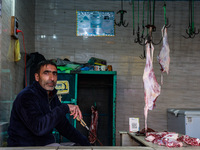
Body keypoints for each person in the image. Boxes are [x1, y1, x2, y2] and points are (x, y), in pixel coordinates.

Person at [7, 60, 91, 146]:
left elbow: (64, 127)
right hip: (25, 147)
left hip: (44, 145)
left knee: (79, 146)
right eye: (46, 73)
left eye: (54, 73)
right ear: (37, 77)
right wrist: (65, 107)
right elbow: (38, 128)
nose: (52, 78)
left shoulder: (51, 96)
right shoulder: (27, 96)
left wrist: (87, 144)